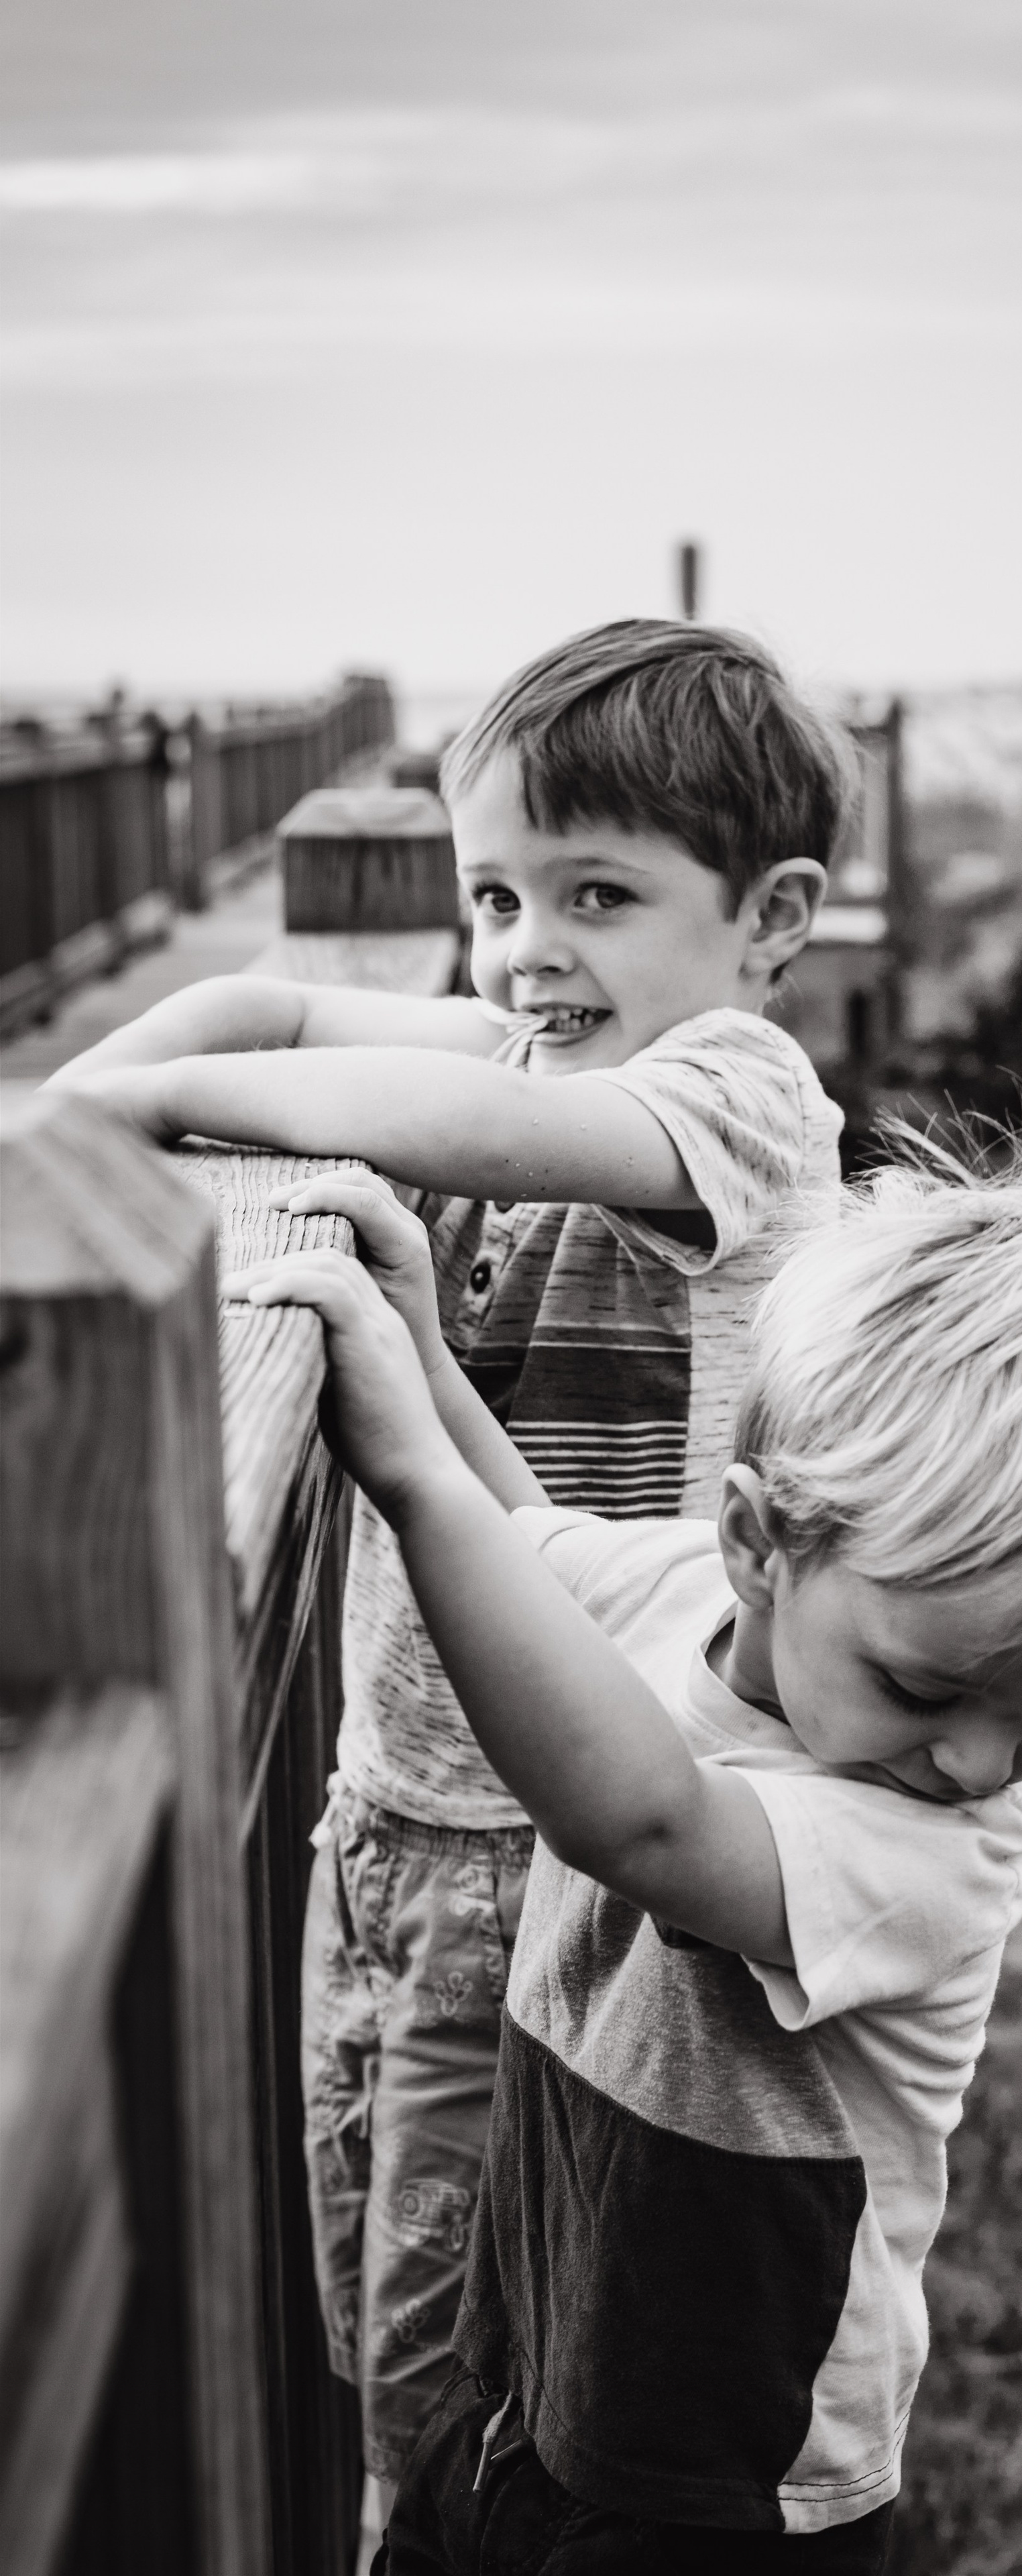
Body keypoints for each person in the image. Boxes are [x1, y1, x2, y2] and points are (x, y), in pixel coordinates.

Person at [53, 621, 852, 2544]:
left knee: (456, 2383)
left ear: (771, 921)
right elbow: (281, 1006)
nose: (520, 953)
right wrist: (63, 1125)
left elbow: (454, 1114)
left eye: (597, 894)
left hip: (567, 1857)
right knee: (365, 2298)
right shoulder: (548, 1031)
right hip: (397, 1816)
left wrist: (170, 1118)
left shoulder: (738, 1095)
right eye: (492, 893)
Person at [225, 1116, 1022, 2569]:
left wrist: (409, 1475)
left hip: (724, 2484)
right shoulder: (673, 1595)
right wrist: (421, 1349)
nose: (981, 1759)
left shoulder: (944, 1849)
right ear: (758, 1545)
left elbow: (641, 1821)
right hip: (538, 2360)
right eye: (927, 1686)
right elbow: (524, 1545)